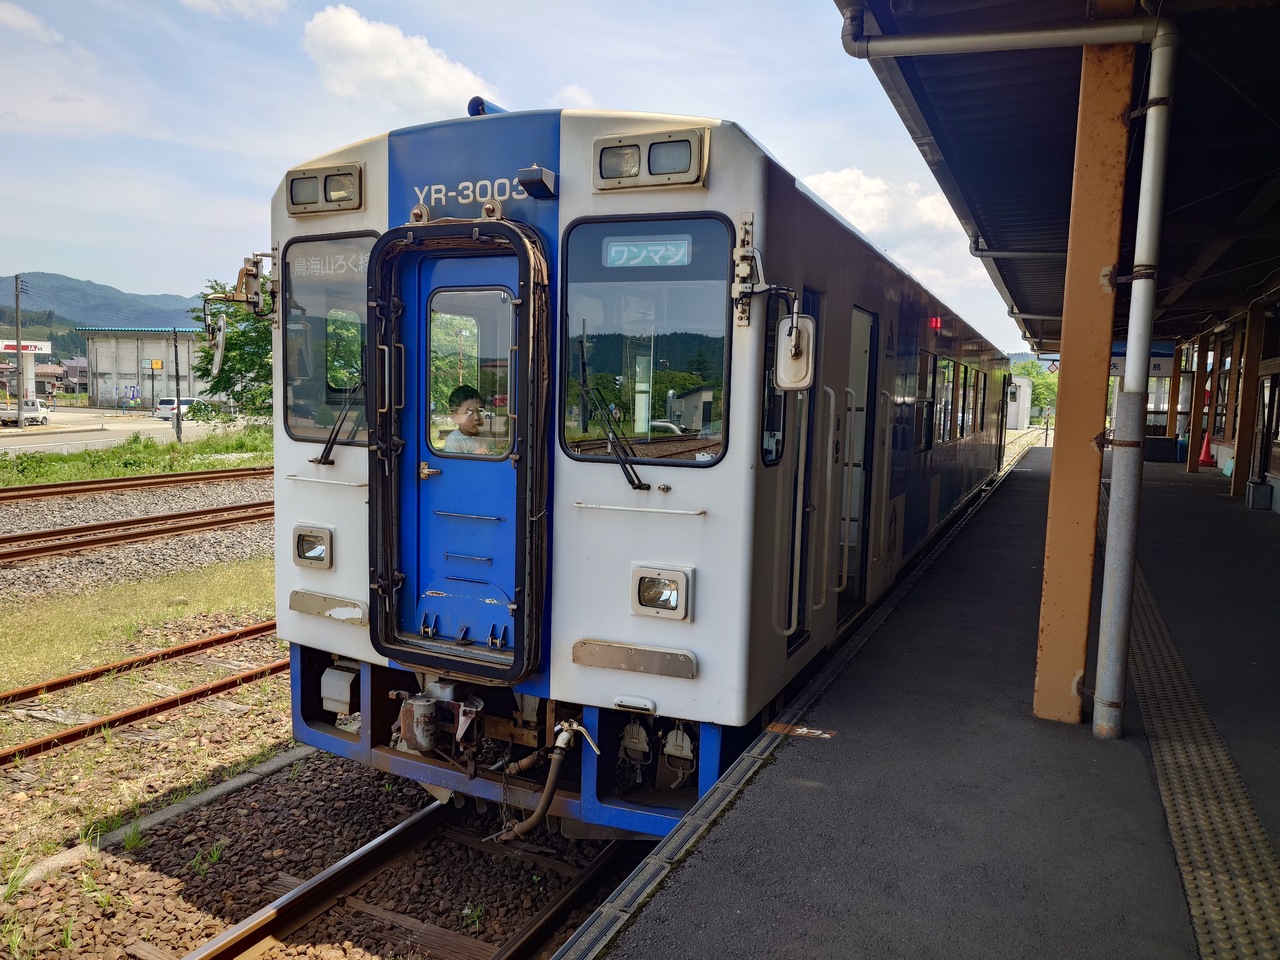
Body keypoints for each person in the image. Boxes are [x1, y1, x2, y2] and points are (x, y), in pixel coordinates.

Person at [444, 384, 495, 454]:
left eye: (479, 411)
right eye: (468, 412)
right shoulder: (454, 440)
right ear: (454, 417)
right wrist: (474, 455)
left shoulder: (487, 437)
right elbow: (453, 461)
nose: (476, 417)